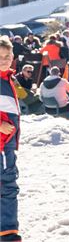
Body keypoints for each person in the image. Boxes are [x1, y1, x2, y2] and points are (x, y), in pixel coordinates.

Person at [0, 36, 22, 241]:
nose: (4, 60)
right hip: (1, 143)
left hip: (6, 143)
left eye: (7, 56)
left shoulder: (7, 78)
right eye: (0, 57)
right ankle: (7, 232)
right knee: (7, 185)